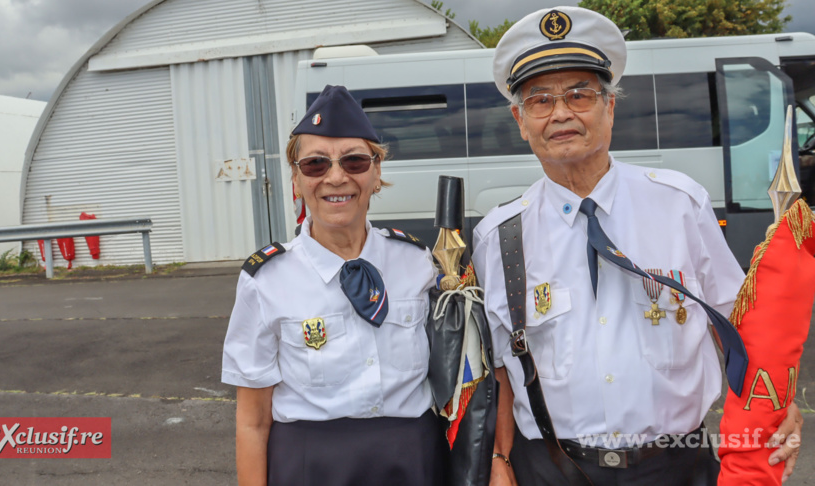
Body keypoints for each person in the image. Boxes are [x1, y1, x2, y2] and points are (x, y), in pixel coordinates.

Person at [470, 7, 804, 485]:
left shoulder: (679, 204)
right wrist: (500, 461)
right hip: (550, 468)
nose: (561, 113)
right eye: (540, 100)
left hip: (676, 465)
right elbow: (502, 368)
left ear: (610, 107)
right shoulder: (499, 235)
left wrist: (777, 404)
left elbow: (739, 325)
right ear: (521, 121)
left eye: (580, 94)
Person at [221, 85, 446, 486]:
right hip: (312, 467)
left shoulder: (418, 263)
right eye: (316, 165)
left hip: (415, 462)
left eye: (355, 161)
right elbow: (253, 422)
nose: (336, 177)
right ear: (296, 181)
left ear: (377, 174)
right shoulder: (266, 280)